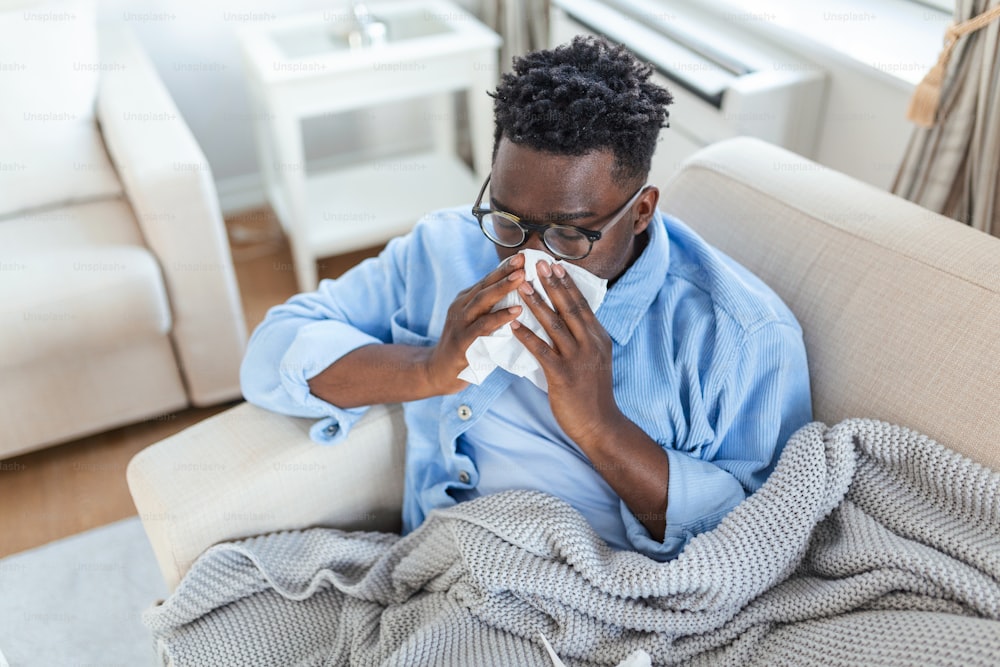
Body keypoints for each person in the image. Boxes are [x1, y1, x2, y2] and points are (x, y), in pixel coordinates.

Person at [240, 36, 812, 561]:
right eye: (509, 220)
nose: (528, 258)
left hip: (607, 591)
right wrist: (429, 371)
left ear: (640, 211)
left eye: (570, 233)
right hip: (441, 558)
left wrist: (599, 423)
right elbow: (272, 353)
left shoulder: (741, 334)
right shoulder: (445, 248)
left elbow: (758, 537)